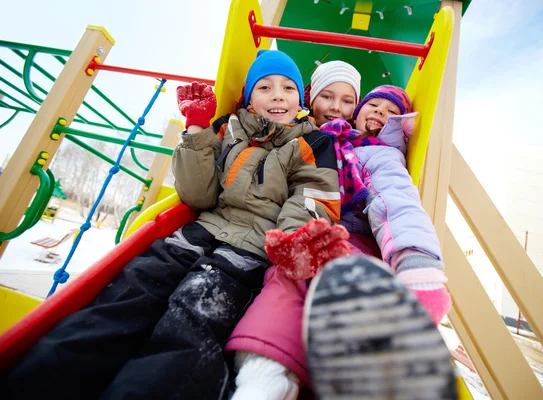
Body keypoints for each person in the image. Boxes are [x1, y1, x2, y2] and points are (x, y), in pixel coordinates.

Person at [2, 50, 348, 400]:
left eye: (288, 88)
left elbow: (313, 194)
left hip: (250, 250)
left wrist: (296, 238)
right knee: (127, 297)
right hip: (196, 234)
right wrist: (197, 129)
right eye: (265, 86)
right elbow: (198, 195)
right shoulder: (227, 130)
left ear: (299, 100)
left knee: (193, 317)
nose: (277, 94)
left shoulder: (311, 142)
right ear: (248, 97)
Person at [226, 78, 456, 399]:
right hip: (307, 224)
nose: (380, 113)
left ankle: (364, 368)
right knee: (289, 274)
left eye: (392, 112)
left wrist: (416, 260)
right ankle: (265, 375)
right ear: (358, 112)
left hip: (352, 239)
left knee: (340, 280)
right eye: (374, 106)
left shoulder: (381, 154)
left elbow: (396, 202)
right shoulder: (327, 137)